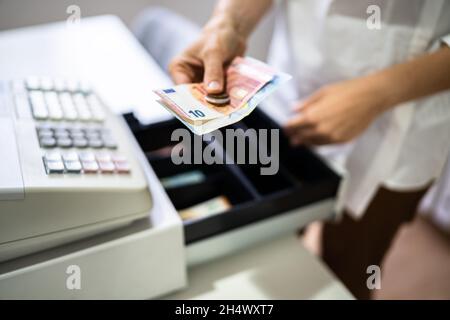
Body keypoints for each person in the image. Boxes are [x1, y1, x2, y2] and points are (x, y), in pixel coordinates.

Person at [134, 0, 450, 299]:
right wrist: (227, 22)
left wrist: (378, 94)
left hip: (405, 124)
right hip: (294, 93)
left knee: (352, 266)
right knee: (272, 246)